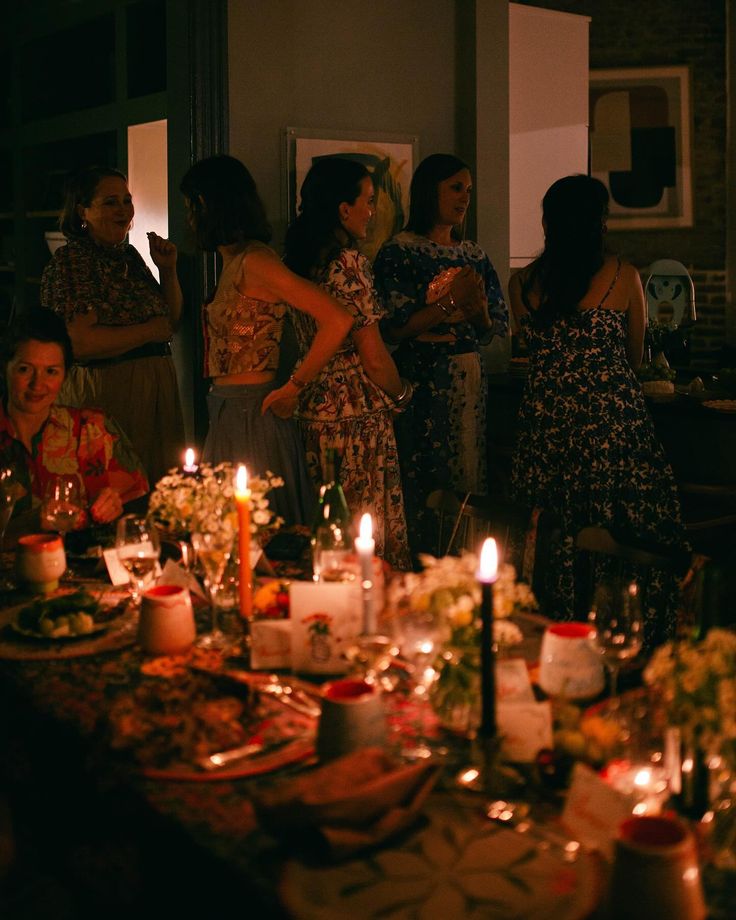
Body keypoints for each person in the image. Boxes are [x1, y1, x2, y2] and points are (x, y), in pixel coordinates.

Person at [508, 174, 687, 647]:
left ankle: (552, 632)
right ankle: (619, 631)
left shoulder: (522, 283)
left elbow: (528, 350)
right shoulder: (624, 275)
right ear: (599, 223)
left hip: (547, 424)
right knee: (619, 528)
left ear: (547, 222)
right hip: (611, 422)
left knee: (552, 528)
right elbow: (633, 359)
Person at [180, 154, 353, 526]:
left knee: (257, 529)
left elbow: (338, 318)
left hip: (251, 414)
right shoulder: (234, 260)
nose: (189, 219)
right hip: (227, 410)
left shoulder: (256, 261)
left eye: (191, 207)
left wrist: (295, 386)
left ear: (209, 205)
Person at [373, 153, 508, 561]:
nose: (465, 197)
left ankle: (466, 567)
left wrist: (479, 312)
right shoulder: (400, 252)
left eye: (468, 189)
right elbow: (392, 328)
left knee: (468, 474)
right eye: (455, 187)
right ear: (429, 191)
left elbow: (496, 331)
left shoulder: (475, 256)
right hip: (421, 379)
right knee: (424, 478)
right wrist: (450, 303)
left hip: (469, 376)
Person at [283, 157, 411, 569]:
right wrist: (404, 392)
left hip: (313, 409)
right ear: (344, 209)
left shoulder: (298, 262)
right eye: (368, 201)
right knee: (364, 530)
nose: (372, 212)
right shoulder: (348, 264)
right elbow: (373, 358)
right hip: (355, 414)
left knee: (325, 528)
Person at [40, 165, 185, 487]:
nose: (123, 209)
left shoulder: (128, 256)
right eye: (110, 202)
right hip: (109, 387)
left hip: (154, 385)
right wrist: (148, 331)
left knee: (160, 483)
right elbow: (80, 343)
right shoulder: (73, 262)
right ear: (83, 211)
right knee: (116, 483)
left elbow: (169, 322)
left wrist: (168, 272)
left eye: (127, 200)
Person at [0, 309, 148, 539]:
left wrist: (115, 510)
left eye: (51, 371)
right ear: (4, 368)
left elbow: (139, 515)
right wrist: (27, 524)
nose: (37, 384)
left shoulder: (93, 429)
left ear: (65, 375)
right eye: (24, 369)